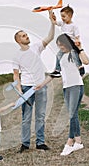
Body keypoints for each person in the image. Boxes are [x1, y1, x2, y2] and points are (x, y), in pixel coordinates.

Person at [36, 33, 89, 156]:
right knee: (73, 114)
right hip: (66, 88)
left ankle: (69, 142)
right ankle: (78, 142)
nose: (60, 48)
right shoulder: (59, 55)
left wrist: (80, 48)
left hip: (76, 86)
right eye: (58, 46)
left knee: (71, 114)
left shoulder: (74, 53)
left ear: (67, 43)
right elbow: (56, 72)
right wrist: (42, 84)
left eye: (62, 45)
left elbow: (86, 62)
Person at [12, 9, 56, 153]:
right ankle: (25, 144)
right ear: (18, 40)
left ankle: (40, 142)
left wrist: (52, 22)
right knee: (26, 118)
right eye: (24, 36)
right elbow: (16, 75)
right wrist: (19, 90)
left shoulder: (36, 47)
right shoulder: (16, 56)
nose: (27, 37)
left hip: (41, 86)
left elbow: (50, 37)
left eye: (26, 35)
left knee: (40, 116)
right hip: (26, 88)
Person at [49, 5, 85, 78]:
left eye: (64, 16)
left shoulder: (74, 26)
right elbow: (54, 22)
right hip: (64, 43)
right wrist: (50, 12)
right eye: (61, 16)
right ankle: (57, 70)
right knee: (58, 55)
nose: (62, 18)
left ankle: (80, 67)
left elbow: (77, 36)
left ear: (70, 16)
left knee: (74, 53)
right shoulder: (62, 23)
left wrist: (77, 41)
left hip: (71, 43)